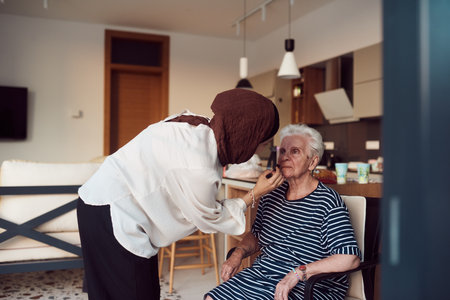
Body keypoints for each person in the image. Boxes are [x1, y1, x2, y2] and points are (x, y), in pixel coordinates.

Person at [76, 88, 284, 300]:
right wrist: (255, 192)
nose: (259, 151)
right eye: (264, 144)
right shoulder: (200, 163)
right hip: (111, 213)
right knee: (137, 292)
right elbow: (209, 216)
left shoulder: (197, 125)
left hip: (96, 201)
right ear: (247, 135)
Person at [205, 124, 361, 300]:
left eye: (295, 151)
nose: (285, 157)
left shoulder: (328, 203)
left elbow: (350, 257)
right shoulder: (271, 194)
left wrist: (298, 273)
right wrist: (238, 253)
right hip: (263, 274)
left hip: (310, 285)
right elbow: (256, 236)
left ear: (312, 162)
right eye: (283, 151)